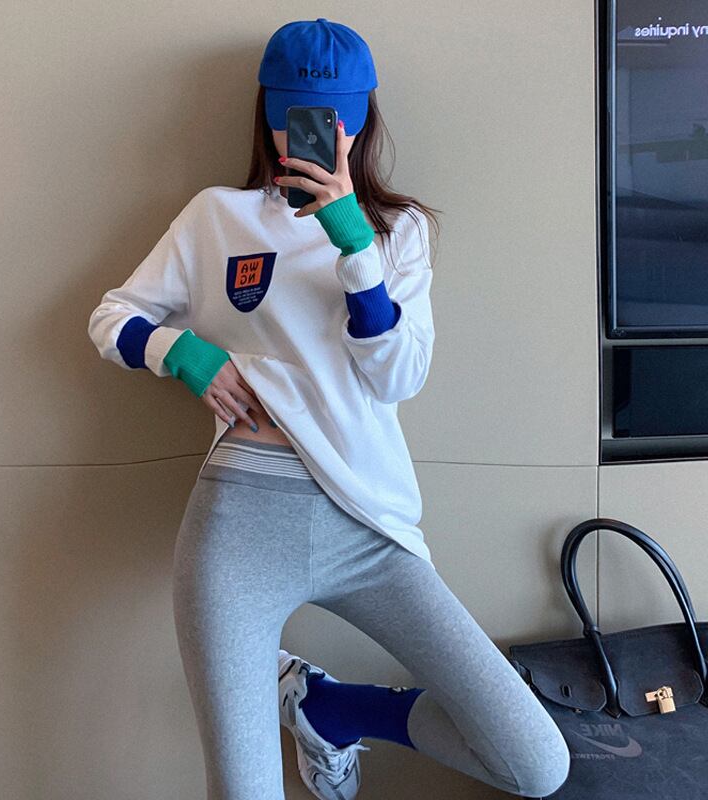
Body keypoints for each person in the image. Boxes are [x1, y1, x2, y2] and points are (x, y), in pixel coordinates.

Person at [88, 17, 571, 800]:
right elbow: (112, 316)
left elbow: (397, 377)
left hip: (368, 520)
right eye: (298, 116)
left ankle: (331, 708)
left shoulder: (398, 231)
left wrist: (352, 243)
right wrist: (181, 351)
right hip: (239, 523)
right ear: (269, 114)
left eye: (336, 118)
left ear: (362, 120)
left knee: (536, 763)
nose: (318, 135)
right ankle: (316, 706)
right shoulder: (216, 216)